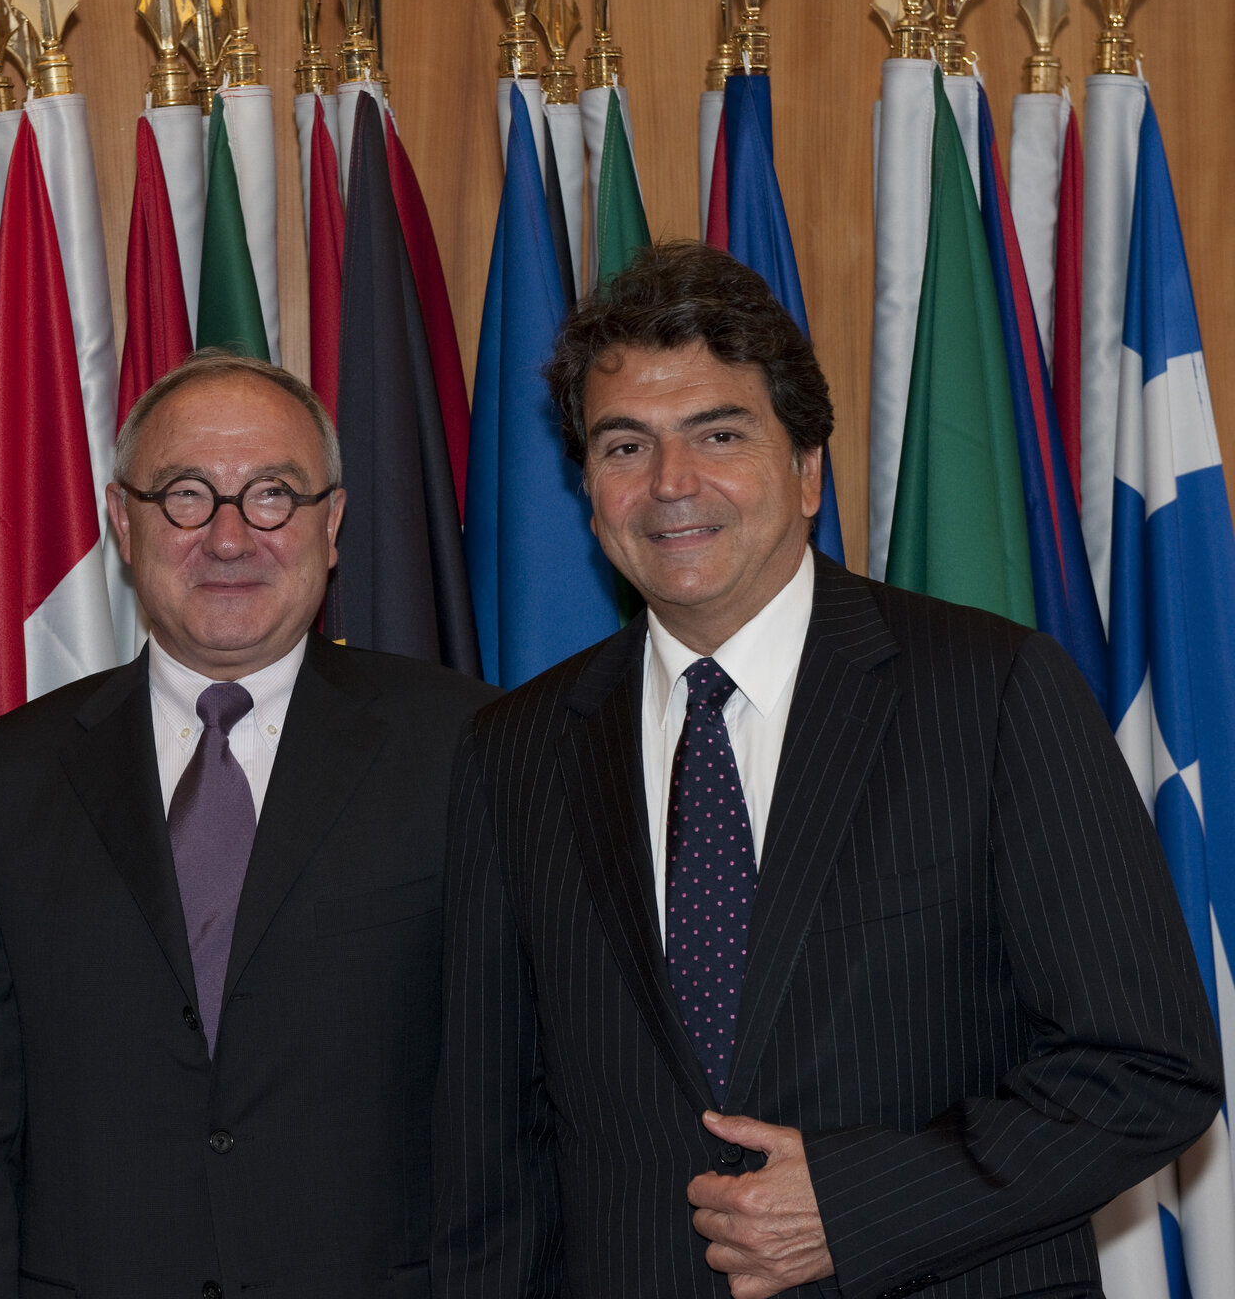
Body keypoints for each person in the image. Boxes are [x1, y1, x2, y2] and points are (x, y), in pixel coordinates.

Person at [433, 241, 1221, 1299]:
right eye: (625, 445)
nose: (670, 483)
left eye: (719, 432)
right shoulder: (515, 748)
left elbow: (1150, 1068)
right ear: (588, 489)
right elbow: (490, 1152)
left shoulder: (991, 691)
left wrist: (857, 1203)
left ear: (807, 470)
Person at [0, 350, 494, 1298]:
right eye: (185, 494)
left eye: (272, 495)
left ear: (332, 523)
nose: (229, 538)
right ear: (121, 522)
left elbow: (513, 1102)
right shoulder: (1, 780)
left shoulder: (464, 746)